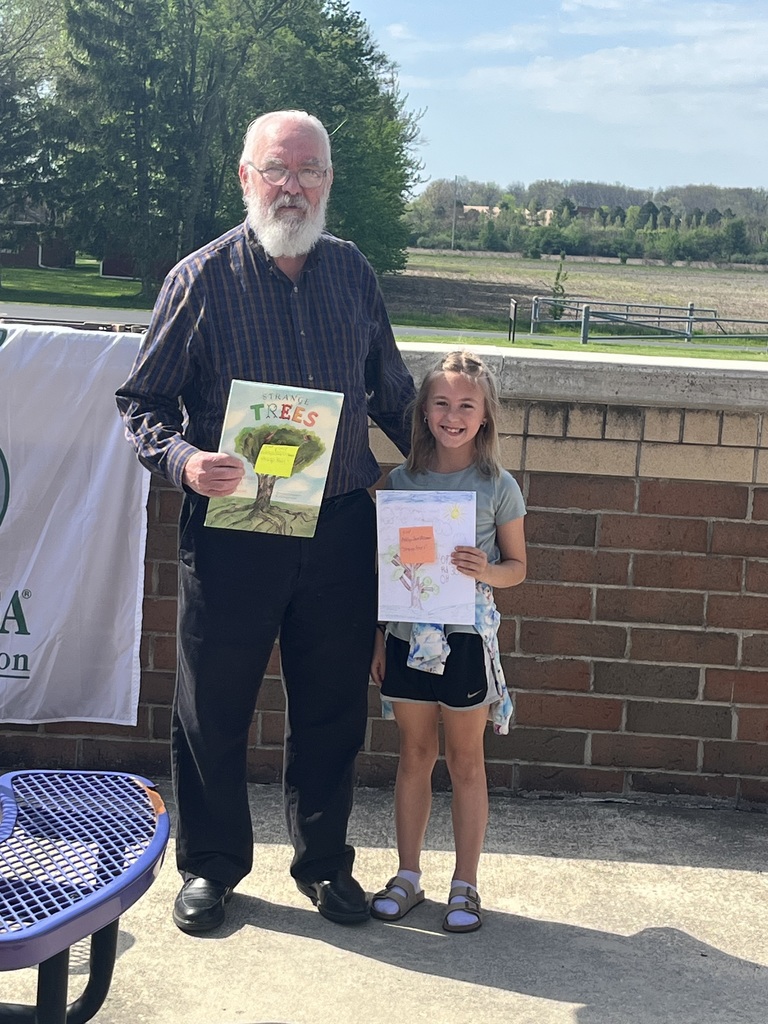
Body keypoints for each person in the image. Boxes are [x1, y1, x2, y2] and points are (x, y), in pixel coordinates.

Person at [116, 110, 415, 932]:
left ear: (328, 181)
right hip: (236, 525)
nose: (293, 186)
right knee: (214, 704)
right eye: (276, 170)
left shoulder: (354, 273)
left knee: (331, 707)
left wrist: (461, 462)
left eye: (309, 171)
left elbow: (393, 392)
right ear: (245, 177)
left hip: (342, 524)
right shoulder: (200, 279)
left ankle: (324, 865)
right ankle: (212, 868)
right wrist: (184, 462)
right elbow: (142, 403)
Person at [369, 349, 526, 934]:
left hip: (465, 642)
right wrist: (380, 637)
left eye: (466, 405)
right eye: (441, 403)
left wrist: (485, 570)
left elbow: (518, 568)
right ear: (424, 411)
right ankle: (408, 875)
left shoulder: (497, 485)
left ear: (484, 416)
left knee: (465, 760)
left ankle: (466, 884)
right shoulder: (401, 482)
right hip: (409, 639)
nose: (452, 415)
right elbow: (389, 570)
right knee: (413, 756)